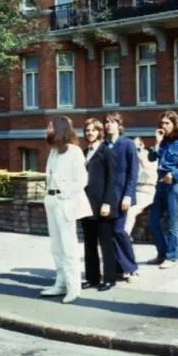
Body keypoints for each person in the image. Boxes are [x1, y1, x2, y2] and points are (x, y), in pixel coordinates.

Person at [41, 116, 93, 304]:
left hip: (64, 202)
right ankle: (60, 283)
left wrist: (65, 196)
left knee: (68, 245)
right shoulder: (53, 152)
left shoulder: (74, 151)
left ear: (60, 129)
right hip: (51, 200)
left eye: (50, 127)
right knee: (56, 246)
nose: (47, 130)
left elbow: (82, 180)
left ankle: (73, 288)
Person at [80, 118, 119, 292]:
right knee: (89, 243)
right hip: (86, 205)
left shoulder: (107, 152)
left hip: (103, 205)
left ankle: (110, 279)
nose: (90, 133)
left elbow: (112, 180)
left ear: (100, 132)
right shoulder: (83, 153)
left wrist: (107, 203)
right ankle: (92, 278)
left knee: (106, 244)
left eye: (93, 130)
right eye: (87, 130)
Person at [147, 111, 178, 269]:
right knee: (153, 222)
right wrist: (157, 142)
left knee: (172, 222)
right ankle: (162, 253)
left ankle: (172, 256)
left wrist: (174, 174)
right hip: (160, 185)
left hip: (173, 185)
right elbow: (151, 158)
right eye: (162, 123)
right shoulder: (162, 142)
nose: (164, 126)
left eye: (167, 123)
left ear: (175, 125)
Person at [102, 112, 140, 280]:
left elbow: (133, 172)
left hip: (122, 196)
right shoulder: (104, 145)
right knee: (109, 233)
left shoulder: (127, 144)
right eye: (106, 122)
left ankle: (131, 267)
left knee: (119, 230)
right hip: (106, 197)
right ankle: (117, 268)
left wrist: (128, 195)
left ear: (119, 125)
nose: (109, 125)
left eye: (112, 122)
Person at [124, 137, 158, 240]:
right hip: (133, 189)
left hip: (146, 189)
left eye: (136, 146)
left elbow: (151, 174)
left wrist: (141, 160)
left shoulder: (149, 156)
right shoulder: (129, 157)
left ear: (142, 145)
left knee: (131, 211)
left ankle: (125, 236)